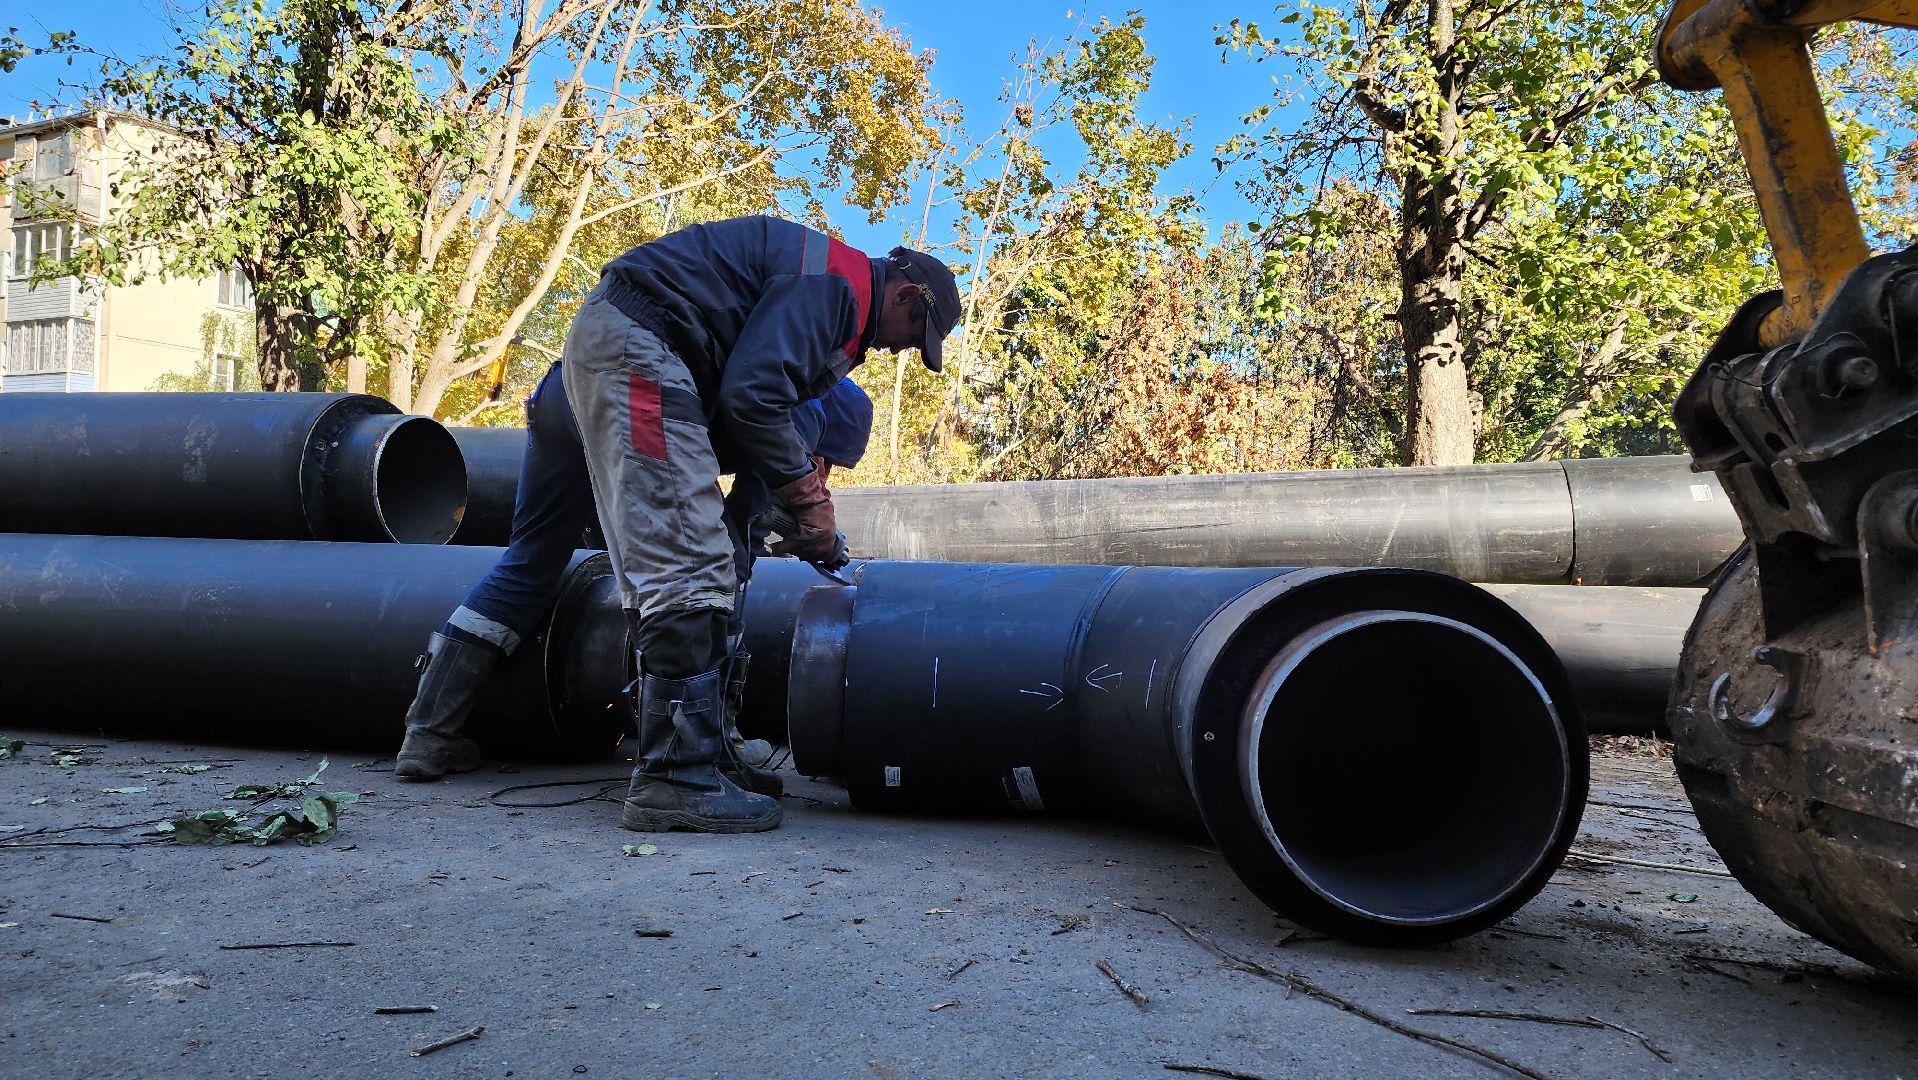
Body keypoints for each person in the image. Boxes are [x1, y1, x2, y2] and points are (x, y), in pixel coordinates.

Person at [393, 215, 961, 839]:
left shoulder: (804, 296)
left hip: (578, 375)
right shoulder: (829, 318)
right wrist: (807, 504)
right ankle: (677, 777)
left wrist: (775, 521)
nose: (901, 349)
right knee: (692, 566)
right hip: (639, 358)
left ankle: (429, 732)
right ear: (905, 295)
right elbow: (748, 455)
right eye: (914, 335)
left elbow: (741, 497)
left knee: (532, 560)